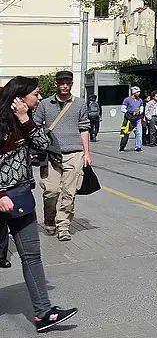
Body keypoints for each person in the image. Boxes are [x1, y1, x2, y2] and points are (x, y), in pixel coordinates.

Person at [0, 76, 79, 331]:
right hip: (2, 198)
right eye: (35, 94)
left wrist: (25, 120)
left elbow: (46, 145)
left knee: (32, 256)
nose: (39, 98)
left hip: (21, 198)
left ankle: (44, 314)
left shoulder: (24, 122)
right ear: (20, 97)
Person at [34, 70, 92, 241]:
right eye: (62, 82)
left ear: (72, 84)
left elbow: (84, 129)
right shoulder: (45, 104)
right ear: (56, 84)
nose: (65, 85)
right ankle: (49, 218)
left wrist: (87, 153)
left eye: (68, 82)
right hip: (52, 155)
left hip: (74, 153)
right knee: (51, 191)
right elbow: (36, 126)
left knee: (69, 192)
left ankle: (64, 226)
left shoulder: (80, 104)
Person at [120, 86, 145, 152]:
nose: (139, 93)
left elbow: (141, 107)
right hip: (129, 119)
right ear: (134, 92)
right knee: (126, 133)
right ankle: (122, 146)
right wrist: (129, 112)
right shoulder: (127, 99)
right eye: (137, 92)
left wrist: (140, 111)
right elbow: (122, 109)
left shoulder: (140, 100)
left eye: (139, 92)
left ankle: (138, 147)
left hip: (138, 118)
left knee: (139, 133)